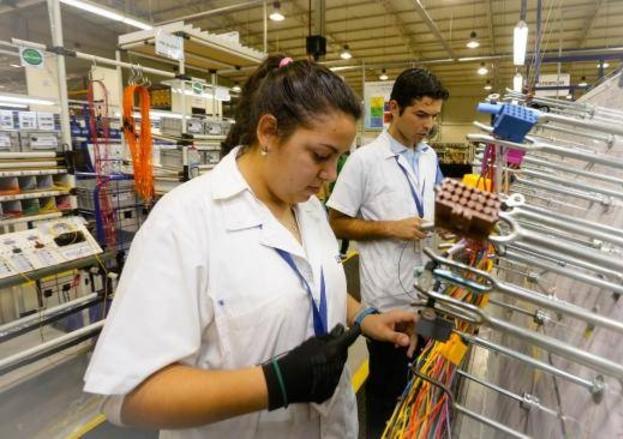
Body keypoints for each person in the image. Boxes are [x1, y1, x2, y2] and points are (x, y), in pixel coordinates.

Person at [83, 54, 418, 439]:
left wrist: (365, 319)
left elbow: (312, 284)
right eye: (321, 156)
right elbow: (128, 395)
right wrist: (274, 383)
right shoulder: (185, 221)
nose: (330, 174)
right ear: (269, 132)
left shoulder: (307, 207)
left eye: (339, 158)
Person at [326, 67, 449, 437]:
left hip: (428, 295)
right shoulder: (364, 161)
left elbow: (439, 201)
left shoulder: (429, 156)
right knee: (388, 394)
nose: (428, 125)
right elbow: (336, 222)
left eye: (434, 116)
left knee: (427, 384)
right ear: (394, 108)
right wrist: (391, 227)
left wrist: (449, 222)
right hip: (388, 303)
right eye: (421, 115)